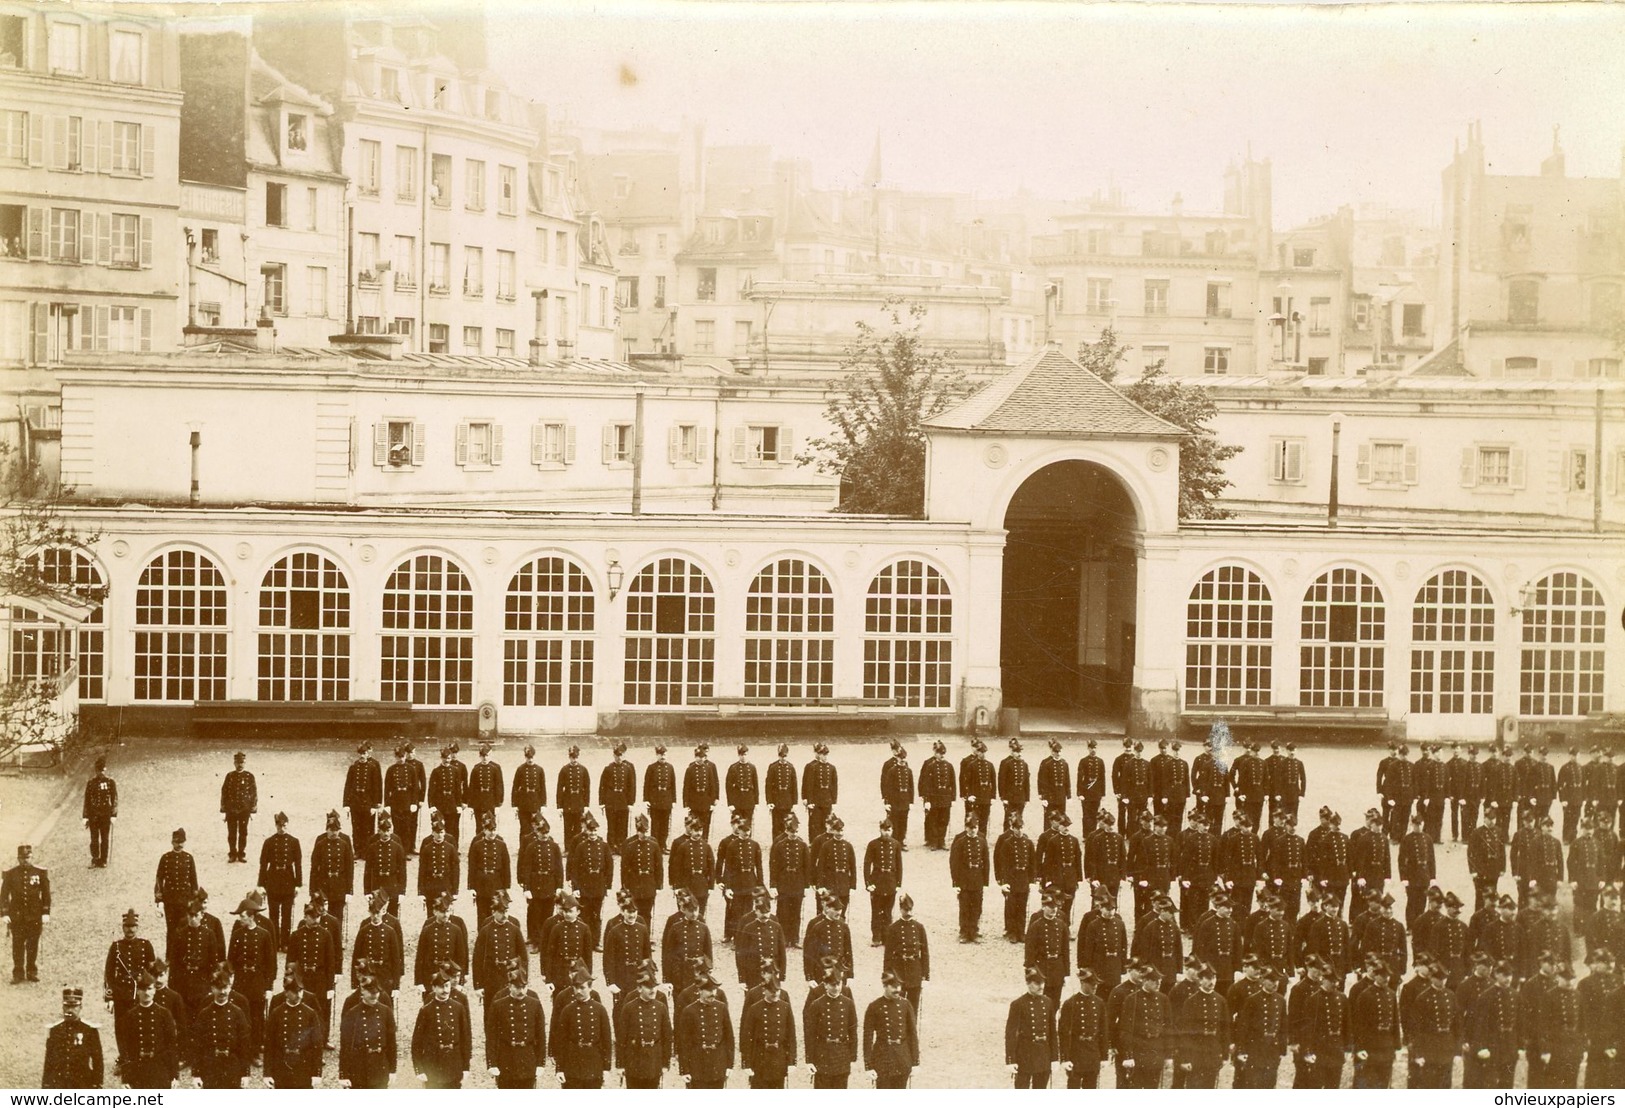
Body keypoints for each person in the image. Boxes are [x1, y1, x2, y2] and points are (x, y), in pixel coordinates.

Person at [551, 961, 613, 1088]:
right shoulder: (567, 1010)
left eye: (582, 988)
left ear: (590, 988)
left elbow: (606, 1039)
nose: (578, 991)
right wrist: (560, 1068)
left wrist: (606, 1068)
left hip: (593, 1063)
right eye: (576, 987)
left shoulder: (600, 1009)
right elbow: (561, 1040)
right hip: (572, 1063)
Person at [486, 963, 546, 1089]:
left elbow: (540, 1035)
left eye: (524, 987)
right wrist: (492, 1064)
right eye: (517, 987)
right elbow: (491, 1037)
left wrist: (540, 1063)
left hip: (527, 1058)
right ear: (509, 986)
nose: (521, 991)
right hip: (506, 1059)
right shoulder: (498, 1005)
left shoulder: (534, 1004)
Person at [740, 960, 797, 1088]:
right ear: (762, 974)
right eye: (770, 973)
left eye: (776, 973)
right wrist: (746, 1060)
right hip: (760, 1054)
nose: (773, 976)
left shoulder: (784, 996)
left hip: (778, 1056)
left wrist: (791, 1060)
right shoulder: (753, 994)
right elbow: (746, 1028)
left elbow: (789, 1030)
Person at [190, 967, 251, 1089]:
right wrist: (196, 1074)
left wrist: (245, 1073)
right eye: (218, 988)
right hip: (210, 1066)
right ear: (212, 988)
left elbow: (244, 1044)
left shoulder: (237, 1013)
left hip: (232, 1066)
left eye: (225, 988)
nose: (222, 992)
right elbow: (197, 1044)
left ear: (230, 988)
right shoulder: (205, 1014)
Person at [412, 970, 473, 1088]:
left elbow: (465, 1039)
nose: (445, 990)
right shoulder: (426, 1011)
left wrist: (466, 1067)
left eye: (447, 986)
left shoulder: (458, 1008)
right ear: (434, 988)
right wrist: (419, 1069)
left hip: (453, 1063)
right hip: (433, 1064)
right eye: (441, 987)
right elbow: (417, 1042)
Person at [117, 973, 178, 1090]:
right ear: (138, 991)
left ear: (155, 990)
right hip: (138, 1070)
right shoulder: (130, 1016)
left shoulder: (164, 1014)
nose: (146, 993)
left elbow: (171, 1045)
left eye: (150, 989)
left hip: (160, 1069)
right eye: (143, 989)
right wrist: (126, 1077)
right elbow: (125, 1048)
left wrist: (174, 1075)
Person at [263, 970, 322, 1089]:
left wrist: (317, 1073)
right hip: (281, 1066)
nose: (299, 995)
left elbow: (317, 1044)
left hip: (303, 1066)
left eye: (300, 991)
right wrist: (267, 1073)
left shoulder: (310, 1013)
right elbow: (269, 1044)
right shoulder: (276, 1013)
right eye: (295, 992)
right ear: (286, 992)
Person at [615, 966, 671, 1088]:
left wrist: (665, 1063)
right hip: (634, 1059)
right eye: (649, 987)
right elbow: (621, 1038)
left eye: (654, 987)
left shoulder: (661, 1007)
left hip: (654, 1060)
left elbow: (667, 1036)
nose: (653, 990)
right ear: (639, 988)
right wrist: (620, 1064)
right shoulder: (629, 1007)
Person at [676, 970, 734, 1088]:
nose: (713, 993)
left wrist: (729, 1065)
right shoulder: (689, 1011)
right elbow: (683, 1042)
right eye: (709, 990)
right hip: (697, 1065)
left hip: (718, 1064)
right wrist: (684, 1070)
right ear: (699, 991)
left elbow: (729, 1038)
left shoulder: (721, 1008)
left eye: (714, 990)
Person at [2, 844, 50, 984]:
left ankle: (31, 971)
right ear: (18, 859)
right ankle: (18, 973)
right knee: (17, 944)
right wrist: (4, 913)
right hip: (16, 916)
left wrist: (46, 912)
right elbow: (4, 894)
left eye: (27, 857)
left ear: (32, 856)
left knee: (32, 944)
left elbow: (46, 894)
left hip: (34, 914)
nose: (25, 860)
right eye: (22, 858)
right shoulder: (10, 874)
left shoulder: (40, 873)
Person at [862, 969, 919, 1088]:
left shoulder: (906, 1005)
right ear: (884, 986)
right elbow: (867, 1037)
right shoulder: (874, 1007)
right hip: (882, 1059)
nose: (897, 990)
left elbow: (912, 1034)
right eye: (893, 986)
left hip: (902, 1059)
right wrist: (868, 1066)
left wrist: (915, 1063)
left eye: (899, 986)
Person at [338, 975, 396, 1089]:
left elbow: (391, 1043)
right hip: (359, 1069)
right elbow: (345, 1046)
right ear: (362, 990)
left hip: (380, 1068)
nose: (374, 996)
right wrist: (343, 1074)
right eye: (371, 993)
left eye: (377, 993)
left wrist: (393, 1070)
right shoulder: (352, 1014)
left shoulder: (386, 1012)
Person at [805, 966, 858, 1088]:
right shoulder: (816, 1005)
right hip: (823, 1055)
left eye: (839, 984)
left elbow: (853, 1030)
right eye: (833, 985)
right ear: (826, 985)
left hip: (841, 1055)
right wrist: (809, 1060)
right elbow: (810, 1034)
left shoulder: (848, 1003)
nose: (837, 988)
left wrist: (853, 1057)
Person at [1006, 965, 1058, 1088]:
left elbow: (1052, 1033)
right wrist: (1010, 1060)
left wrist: (1055, 1058)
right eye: (1037, 983)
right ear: (1028, 983)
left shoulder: (1048, 1002)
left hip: (1043, 1056)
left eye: (1043, 982)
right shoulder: (1017, 1004)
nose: (1041, 986)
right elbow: (1011, 1034)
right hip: (1025, 1056)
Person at [43, 986, 103, 1089]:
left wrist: (97, 1083)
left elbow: (97, 1059)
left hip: (82, 1083)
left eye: (74, 1006)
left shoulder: (89, 1030)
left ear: (80, 1007)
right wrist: (46, 1083)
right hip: (59, 1083)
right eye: (67, 1006)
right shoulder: (55, 1030)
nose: (70, 1010)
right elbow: (49, 1060)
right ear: (63, 1007)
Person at [257, 812, 301, 950]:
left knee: (287, 913)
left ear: (287, 825)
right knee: (273, 914)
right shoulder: (269, 842)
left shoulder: (294, 842)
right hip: (273, 880)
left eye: (284, 825)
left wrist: (298, 884)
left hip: (288, 879)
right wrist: (261, 885)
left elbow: (298, 864)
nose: (282, 828)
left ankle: (286, 942)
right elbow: (263, 864)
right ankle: (275, 942)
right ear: (275, 826)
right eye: (279, 825)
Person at [718, 813, 765, 942]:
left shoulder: (755, 845)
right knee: (736, 912)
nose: (746, 833)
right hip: (737, 882)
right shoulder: (732, 845)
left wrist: (760, 884)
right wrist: (727, 887)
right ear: (739, 830)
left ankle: (746, 937)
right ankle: (736, 937)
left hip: (750, 880)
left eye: (748, 830)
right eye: (744, 830)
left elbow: (759, 866)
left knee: (749, 911)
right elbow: (728, 868)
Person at [152, 828, 198, 962]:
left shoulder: (189, 858)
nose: (180, 845)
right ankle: (170, 958)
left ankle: (184, 957)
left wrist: (194, 902)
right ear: (172, 842)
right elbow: (159, 879)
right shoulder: (165, 858)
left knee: (185, 929)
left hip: (185, 901)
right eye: (177, 842)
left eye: (182, 842)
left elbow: (194, 881)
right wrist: (159, 900)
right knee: (171, 930)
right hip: (170, 901)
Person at [308, 812, 353, 933]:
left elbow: (349, 869)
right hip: (324, 884)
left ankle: (336, 942)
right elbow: (314, 869)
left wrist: (349, 891)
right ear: (326, 829)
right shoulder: (320, 845)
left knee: (337, 916)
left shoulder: (344, 845)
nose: (334, 832)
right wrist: (312, 889)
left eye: (336, 830)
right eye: (331, 829)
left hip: (339, 885)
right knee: (322, 914)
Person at [996, 811, 1038, 942]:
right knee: (1012, 906)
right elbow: (1003, 864)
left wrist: (1032, 880)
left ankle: (1021, 931)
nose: (1019, 830)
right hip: (1012, 878)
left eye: (1021, 827)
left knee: (1022, 905)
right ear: (1012, 828)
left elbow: (1032, 863)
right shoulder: (1007, 843)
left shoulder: (1028, 843)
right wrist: (1004, 881)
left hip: (1023, 877)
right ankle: (1012, 931)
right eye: (1016, 828)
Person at [1026, 889, 1072, 1005]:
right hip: (1042, 967)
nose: (1053, 909)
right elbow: (1029, 950)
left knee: (1055, 1001)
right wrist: (1030, 970)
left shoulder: (1061, 925)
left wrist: (1066, 973)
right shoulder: (1036, 926)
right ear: (1043, 907)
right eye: (1050, 907)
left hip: (1057, 968)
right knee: (1040, 1000)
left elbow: (1065, 951)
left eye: (1056, 907)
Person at [862, 818, 903, 946]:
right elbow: (867, 864)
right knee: (876, 911)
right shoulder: (873, 844)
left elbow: (899, 865)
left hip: (890, 880)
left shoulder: (896, 844)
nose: (886, 833)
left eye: (889, 830)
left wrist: (898, 883)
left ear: (892, 830)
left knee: (888, 911)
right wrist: (868, 883)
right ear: (880, 830)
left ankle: (887, 937)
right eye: (884, 830)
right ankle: (876, 937)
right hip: (877, 880)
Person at [950, 816, 990, 943]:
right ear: (966, 828)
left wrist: (985, 880)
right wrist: (955, 882)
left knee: (977, 906)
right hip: (964, 878)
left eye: (975, 828)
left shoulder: (982, 841)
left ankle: (974, 930)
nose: (973, 831)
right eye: (970, 828)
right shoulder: (960, 842)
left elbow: (986, 861)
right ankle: (964, 932)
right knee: (965, 906)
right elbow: (954, 863)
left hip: (977, 877)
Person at [468, 812, 513, 924]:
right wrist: (472, 886)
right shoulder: (477, 845)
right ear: (484, 830)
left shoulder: (501, 845)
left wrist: (506, 886)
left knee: (497, 909)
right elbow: (472, 866)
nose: (492, 833)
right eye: (489, 830)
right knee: (482, 912)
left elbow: (506, 866)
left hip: (496, 882)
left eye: (494, 830)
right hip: (482, 882)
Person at [919, 740, 957, 850]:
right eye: (940, 753)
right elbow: (926, 784)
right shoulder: (930, 766)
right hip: (934, 797)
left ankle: (942, 841)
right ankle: (934, 842)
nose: (942, 756)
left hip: (945, 798)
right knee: (934, 820)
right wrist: (927, 799)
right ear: (935, 754)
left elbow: (953, 783)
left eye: (943, 754)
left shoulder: (949, 766)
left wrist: (953, 798)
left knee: (944, 820)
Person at [220, 752, 257, 864]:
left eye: (242, 762)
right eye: (237, 762)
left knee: (243, 832)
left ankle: (241, 853)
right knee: (231, 833)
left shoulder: (249, 776)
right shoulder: (229, 776)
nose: (239, 765)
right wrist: (223, 810)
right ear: (234, 763)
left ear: (245, 763)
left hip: (244, 810)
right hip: (231, 810)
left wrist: (253, 810)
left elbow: (254, 793)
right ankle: (232, 854)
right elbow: (224, 793)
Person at [83, 756, 118, 868]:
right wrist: (85, 816)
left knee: (104, 838)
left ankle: (103, 860)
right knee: (94, 839)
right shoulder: (90, 783)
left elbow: (114, 799)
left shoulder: (110, 782)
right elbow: (87, 800)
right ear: (96, 771)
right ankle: (95, 859)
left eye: (102, 770)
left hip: (105, 815)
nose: (100, 773)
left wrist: (113, 814)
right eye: (98, 770)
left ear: (104, 770)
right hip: (93, 815)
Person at [600, 743, 637, 850]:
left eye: (621, 755)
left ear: (623, 755)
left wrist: (631, 803)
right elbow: (602, 786)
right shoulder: (608, 769)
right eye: (617, 756)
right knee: (611, 824)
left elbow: (631, 787)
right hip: (611, 800)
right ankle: (612, 845)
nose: (619, 758)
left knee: (622, 824)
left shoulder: (628, 769)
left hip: (623, 800)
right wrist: (602, 802)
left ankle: (621, 845)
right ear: (614, 756)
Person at [428, 745, 467, 845]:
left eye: (448, 758)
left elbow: (458, 789)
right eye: (444, 758)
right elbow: (431, 790)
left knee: (453, 827)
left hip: (452, 803)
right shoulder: (436, 771)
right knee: (439, 826)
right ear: (441, 758)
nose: (446, 760)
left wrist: (459, 804)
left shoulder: (455, 771)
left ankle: (454, 847)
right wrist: (431, 805)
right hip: (440, 803)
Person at [803, 743, 840, 845]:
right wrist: (809, 801)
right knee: (815, 824)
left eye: (826, 754)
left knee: (827, 823)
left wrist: (834, 801)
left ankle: (826, 844)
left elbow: (834, 786)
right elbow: (809, 785)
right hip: (816, 800)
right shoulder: (812, 767)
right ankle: (814, 844)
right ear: (818, 754)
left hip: (827, 800)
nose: (824, 757)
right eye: (822, 754)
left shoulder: (831, 768)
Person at [683, 743, 720, 842]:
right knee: (694, 822)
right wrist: (686, 803)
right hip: (694, 800)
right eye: (698, 757)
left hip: (705, 800)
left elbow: (712, 785)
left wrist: (713, 801)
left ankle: (704, 841)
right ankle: (694, 840)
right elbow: (686, 787)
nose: (700, 759)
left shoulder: (708, 769)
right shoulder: (690, 769)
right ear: (695, 757)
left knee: (706, 823)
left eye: (702, 757)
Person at [880, 742, 915, 847]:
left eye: (904, 757)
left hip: (904, 799)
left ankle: (902, 840)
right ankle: (894, 841)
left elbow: (911, 786)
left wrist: (911, 801)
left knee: (904, 821)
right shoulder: (890, 768)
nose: (903, 759)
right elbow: (886, 785)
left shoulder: (908, 770)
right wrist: (886, 800)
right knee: (894, 820)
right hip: (894, 799)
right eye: (901, 757)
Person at [645, 744, 678, 851]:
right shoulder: (651, 768)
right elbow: (647, 785)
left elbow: (673, 785)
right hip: (655, 800)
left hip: (666, 799)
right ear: (657, 755)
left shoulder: (670, 767)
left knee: (665, 824)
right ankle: (655, 846)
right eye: (660, 754)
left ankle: (663, 845)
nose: (662, 757)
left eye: (664, 754)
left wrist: (673, 800)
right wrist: (646, 800)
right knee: (655, 825)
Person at [961, 739, 997, 835]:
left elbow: (993, 782)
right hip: (976, 797)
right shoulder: (972, 765)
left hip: (986, 797)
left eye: (984, 752)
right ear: (977, 752)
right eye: (981, 752)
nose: (983, 754)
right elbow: (966, 782)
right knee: (974, 820)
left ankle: (982, 840)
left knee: (984, 821)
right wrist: (969, 795)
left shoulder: (990, 765)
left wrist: (993, 796)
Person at [467, 742, 504, 832]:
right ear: (479, 756)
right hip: (478, 803)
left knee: (491, 826)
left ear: (490, 755)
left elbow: (499, 787)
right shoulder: (476, 769)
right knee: (479, 828)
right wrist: (471, 805)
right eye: (482, 756)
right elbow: (471, 787)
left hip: (491, 802)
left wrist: (498, 804)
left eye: (487, 755)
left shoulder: (495, 768)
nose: (485, 758)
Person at [999, 738, 1032, 833]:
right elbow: (1002, 781)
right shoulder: (1006, 763)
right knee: (1008, 818)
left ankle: (1017, 835)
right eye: (1016, 752)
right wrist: (1003, 797)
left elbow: (1026, 782)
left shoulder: (1024, 764)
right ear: (1012, 752)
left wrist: (1027, 798)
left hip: (1020, 796)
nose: (1019, 754)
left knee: (1019, 817)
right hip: (1010, 796)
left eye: (1019, 752)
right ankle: (1007, 835)